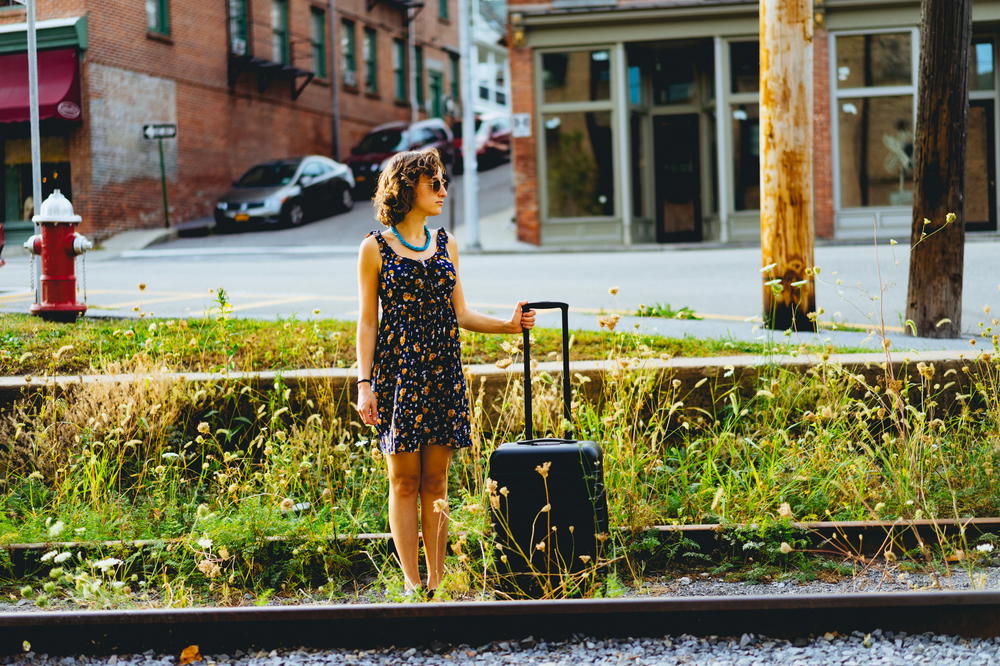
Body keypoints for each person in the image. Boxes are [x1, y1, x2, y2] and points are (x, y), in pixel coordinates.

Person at [355, 149, 536, 596]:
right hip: (398, 376)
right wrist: (364, 384)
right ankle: (412, 583)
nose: (442, 190)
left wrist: (508, 326)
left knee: (436, 482)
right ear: (406, 188)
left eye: (443, 183)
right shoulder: (374, 247)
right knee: (403, 480)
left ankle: (437, 580)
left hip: (442, 372)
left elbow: (461, 312)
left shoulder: (446, 243)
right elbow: (367, 321)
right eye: (432, 183)